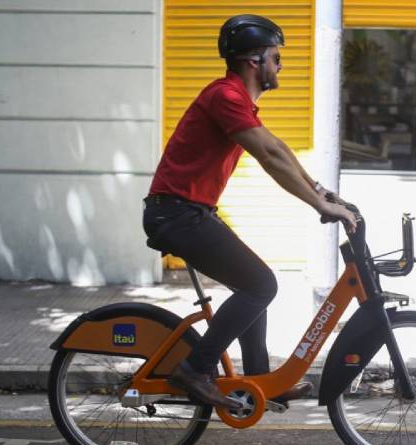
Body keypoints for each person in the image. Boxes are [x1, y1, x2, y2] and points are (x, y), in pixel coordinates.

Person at [142, 14, 357, 409]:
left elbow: (279, 149)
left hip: (189, 213)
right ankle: (195, 368)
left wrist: (322, 192)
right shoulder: (224, 96)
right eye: (276, 57)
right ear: (253, 61)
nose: (280, 66)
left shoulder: (238, 101)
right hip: (175, 214)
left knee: (255, 283)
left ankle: (261, 380)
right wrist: (319, 206)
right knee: (261, 286)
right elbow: (270, 156)